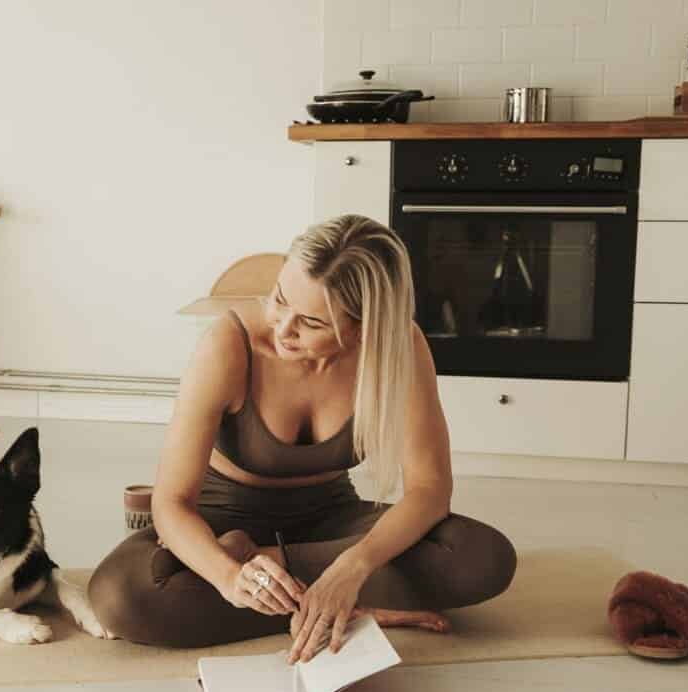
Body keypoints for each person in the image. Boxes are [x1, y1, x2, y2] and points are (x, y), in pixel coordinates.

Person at [87, 214, 517, 663]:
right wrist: (231, 578)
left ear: (363, 329)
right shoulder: (229, 345)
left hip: (333, 522)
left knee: (481, 557)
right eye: (279, 298)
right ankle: (331, 605)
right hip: (223, 520)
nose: (282, 327)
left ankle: (318, 597)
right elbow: (171, 502)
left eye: (311, 322)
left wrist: (351, 568)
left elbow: (430, 489)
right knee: (120, 595)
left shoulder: (398, 348)